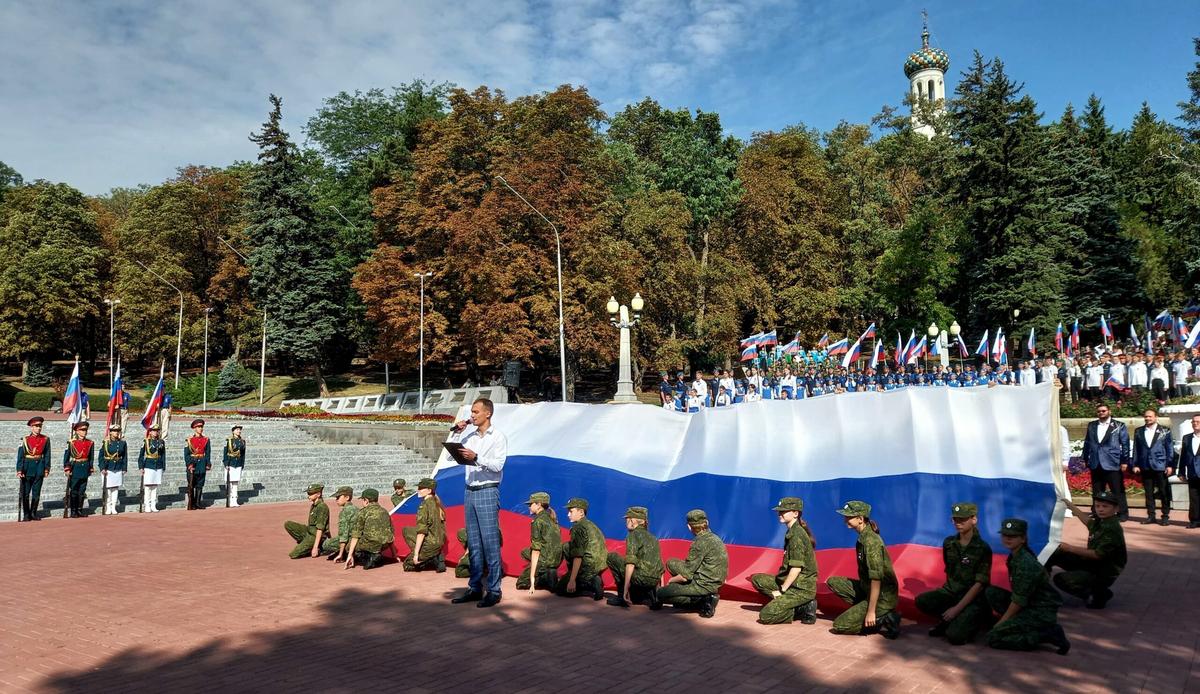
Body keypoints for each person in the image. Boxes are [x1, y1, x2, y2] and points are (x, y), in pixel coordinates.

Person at [448, 398, 507, 608]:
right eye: (471, 412)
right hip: (469, 491)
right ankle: (474, 587)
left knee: (490, 542)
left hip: (487, 490)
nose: (471, 415)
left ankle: (494, 590)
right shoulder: (470, 436)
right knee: (473, 543)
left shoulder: (498, 437)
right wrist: (457, 431)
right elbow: (449, 457)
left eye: (475, 412)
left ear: (487, 413)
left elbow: (498, 466)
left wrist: (477, 457)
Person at [985, 518, 1070, 654]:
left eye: (1013, 536)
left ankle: (1047, 634)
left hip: (1040, 611)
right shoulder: (1016, 555)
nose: (1008, 539)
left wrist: (1000, 624)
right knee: (990, 592)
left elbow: (1018, 601)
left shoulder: (1025, 563)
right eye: (1005, 535)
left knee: (994, 638)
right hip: (1029, 603)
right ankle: (1015, 624)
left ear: (1023, 539)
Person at [915, 502, 993, 645]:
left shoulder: (982, 548)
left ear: (973, 519)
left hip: (973, 599)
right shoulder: (949, 543)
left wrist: (956, 609)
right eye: (955, 519)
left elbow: (980, 584)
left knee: (955, 637)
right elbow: (950, 571)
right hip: (951, 593)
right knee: (922, 601)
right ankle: (949, 620)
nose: (958, 523)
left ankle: (966, 622)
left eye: (962, 520)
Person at [827, 500, 901, 638]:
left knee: (840, 625)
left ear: (860, 519)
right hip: (866, 588)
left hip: (882, 597)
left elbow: (876, 579)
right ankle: (865, 608)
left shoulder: (871, 542)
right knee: (833, 582)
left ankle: (885, 618)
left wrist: (871, 612)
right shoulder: (862, 537)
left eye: (849, 517)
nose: (845, 520)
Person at [1047, 493, 1127, 609]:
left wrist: (1070, 548)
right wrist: (1071, 506)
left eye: (1105, 506)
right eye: (1097, 506)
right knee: (1056, 553)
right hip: (1093, 564)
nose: (1100, 509)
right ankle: (1040, 586)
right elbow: (1089, 522)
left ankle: (1098, 594)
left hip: (1103, 571)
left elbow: (1098, 555)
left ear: (1116, 509)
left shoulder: (1112, 528)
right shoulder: (1103, 521)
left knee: (1061, 579)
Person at [750, 497, 818, 625]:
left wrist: (781, 591)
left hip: (800, 588)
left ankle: (803, 608)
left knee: (766, 616)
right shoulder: (792, 531)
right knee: (757, 579)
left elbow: (796, 568)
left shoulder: (797, 535)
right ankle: (792, 603)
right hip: (789, 582)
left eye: (784, 511)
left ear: (795, 513)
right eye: (779, 511)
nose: (779, 514)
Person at [658, 509, 727, 618]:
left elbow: (686, 575)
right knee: (671, 563)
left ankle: (703, 601)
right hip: (715, 581)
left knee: (660, 594)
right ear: (707, 523)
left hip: (702, 585)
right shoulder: (716, 538)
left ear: (689, 527)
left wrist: (671, 581)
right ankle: (699, 597)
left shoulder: (699, 543)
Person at [606, 506, 664, 608]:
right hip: (654, 580)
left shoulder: (633, 535)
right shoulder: (653, 538)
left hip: (640, 579)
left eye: (627, 519)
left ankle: (622, 598)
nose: (626, 522)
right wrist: (660, 589)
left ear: (632, 521)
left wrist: (625, 590)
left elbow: (630, 563)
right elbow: (660, 565)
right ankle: (650, 594)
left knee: (612, 557)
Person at [1082, 403, 1130, 521]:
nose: (1101, 413)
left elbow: (1125, 444)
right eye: (1099, 411)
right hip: (1095, 462)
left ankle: (1122, 513)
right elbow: (1087, 442)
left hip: (1112, 462)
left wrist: (1124, 461)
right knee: (1097, 490)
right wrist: (1085, 458)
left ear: (1109, 411)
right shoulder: (1092, 425)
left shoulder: (1119, 425)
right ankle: (1096, 511)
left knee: (1117, 490)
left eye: (1103, 411)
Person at [556, 497, 607, 599]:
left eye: (571, 511)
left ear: (581, 512)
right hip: (600, 565)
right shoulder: (591, 525)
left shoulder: (578, 527)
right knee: (567, 546)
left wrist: (572, 580)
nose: (568, 515)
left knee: (560, 589)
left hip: (588, 566)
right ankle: (590, 578)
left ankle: (588, 584)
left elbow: (578, 556)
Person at [1132, 409, 1174, 525]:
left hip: (1160, 465)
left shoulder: (1164, 430)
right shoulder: (1138, 431)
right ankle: (1151, 516)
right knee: (1148, 493)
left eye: (1150, 416)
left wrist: (1170, 465)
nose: (1147, 419)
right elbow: (1136, 449)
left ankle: (1165, 516)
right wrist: (1135, 464)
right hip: (1145, 465)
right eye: (1146, 417)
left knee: (1163, 492)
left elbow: (1169, 449)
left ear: (1156, 417)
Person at [517, 491, 562, 592]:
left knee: (521, 583)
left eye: (530, 504)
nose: (529, 507)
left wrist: (532, 579)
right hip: (557, 558)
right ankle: (547, 570)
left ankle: (545, 576)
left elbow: (536, 550)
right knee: (524, 552)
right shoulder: (552, 518)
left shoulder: (537, 521)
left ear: (538, 505)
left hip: (546, 558)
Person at [402, 478, 447, 572]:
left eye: (421, 488)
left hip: (430, 544)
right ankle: (437, 555)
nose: (419, 490)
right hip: (439, 542)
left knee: (407, 564)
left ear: (429, 490)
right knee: (407, 529)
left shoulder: (424, 505)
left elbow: (421, 532)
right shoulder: (438, 503)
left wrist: (416, 554)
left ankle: (431, 559)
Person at [344, 488, 394, 570]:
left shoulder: (363, 512)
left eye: (362, 500)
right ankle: (376, 554)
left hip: (370, 544)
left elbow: (356, 534)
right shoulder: (384, 511)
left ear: (366, 500)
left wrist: (350, 555)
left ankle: (369, 558)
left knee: (349, 546)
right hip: (384, 544)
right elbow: (391, 532)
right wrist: (394, 554)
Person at [15, 416, 50, 522]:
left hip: (39, 467)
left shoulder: (45, 439)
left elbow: (47, 454)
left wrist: (46, 468)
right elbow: (20, 456)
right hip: (27, 468)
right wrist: (19, 470)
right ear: (31, 427)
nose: (39, 428)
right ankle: (26, 514)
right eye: (36, 426)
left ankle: (33, 513)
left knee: (36, 492)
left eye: (40, 426)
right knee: (25, 493)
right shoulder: (25, 440)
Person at [284, 483, 329, 559]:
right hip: (309, 531)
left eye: (311, 494)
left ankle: (315, 547)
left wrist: (315, 547)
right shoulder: (314, 505)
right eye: (308, 493)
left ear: (318, 494)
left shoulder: (322, 507)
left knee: (293, 554)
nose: (309, 496)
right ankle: (306, 544)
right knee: (288, 524)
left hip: (315, 536)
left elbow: (320, 529)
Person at [62, 421, 94, 518]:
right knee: (74, 490)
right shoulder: (71, 443)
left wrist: (90, 467)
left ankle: (79, 510)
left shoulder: (90, 443)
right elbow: (66, 457)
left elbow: (91, 457)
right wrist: (67, 468)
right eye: (82, 430)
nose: (84, 432)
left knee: (82, 491)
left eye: (85, 430)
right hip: (75, 468)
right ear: (76, 431)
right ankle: (73, 510)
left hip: (85, 468)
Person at [323, 486, 359, 561]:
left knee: (326, 544)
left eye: (338, 497)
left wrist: (340, 554)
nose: (336, 500)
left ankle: (345, 552)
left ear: (347, 497)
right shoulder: (356, 508)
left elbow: (343, 535)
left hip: (350, 540)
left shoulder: (345, 512)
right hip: (358, 538)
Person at [99, 424, 127, 515]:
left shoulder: (122, 443)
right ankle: (108, 506)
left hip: (118, 467)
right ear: (110, 432)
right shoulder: (106, 442)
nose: (116, 433)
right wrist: (102, 467)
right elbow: (101, 456)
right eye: (114, 431)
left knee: (115, 488)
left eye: (118, 431)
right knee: (108, 488)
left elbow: (125, 456)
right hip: (108, 467)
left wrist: (124, 468)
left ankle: (113, 506)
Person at [183, 419, 211, 510]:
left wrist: (207, 463)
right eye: (198, 427)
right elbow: (186, 454)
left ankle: (198, 503)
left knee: (200, 484)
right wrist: (189, 464)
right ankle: (192, 503)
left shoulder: (206, 440)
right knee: (192, 484)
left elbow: (208, 453)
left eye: (201, 427)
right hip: (193, 463)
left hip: (202, 463)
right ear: (194, 428)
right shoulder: (189, 440)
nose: (200, 429)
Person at [138, 425, 167, 512]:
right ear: (150, 432)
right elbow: (141, 455)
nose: (155, 432)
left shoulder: (161, 441)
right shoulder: (146, 441)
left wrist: (163, 466)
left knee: (155, 486)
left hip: (158, 465)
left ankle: (153, 505)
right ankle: (147, 505)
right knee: (148, 486)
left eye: (157, 430)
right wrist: (141, 466)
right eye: (153, 430)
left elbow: (163, 455)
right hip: (149, 465)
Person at [1178, 414, 1200, 529]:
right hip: (1192, 473)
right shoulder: (1186, 438)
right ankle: (1195, 520)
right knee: (1194, 498)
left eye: (1197, 421)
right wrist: (1181, 472)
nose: (1195, 423)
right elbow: (1183, 457)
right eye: (1193, 422)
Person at [223, 425, 246, 507]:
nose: (239, 431)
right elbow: (225, 453)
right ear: (233, 431)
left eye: (239, 430)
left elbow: (243, 454)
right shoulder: (229, 441)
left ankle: (234, 500)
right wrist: (226, 463)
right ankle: (229, 500)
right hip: (230, 463)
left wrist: (242, 464)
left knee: (235, 483)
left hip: (238, 463)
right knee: (229, 483)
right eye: (237, 429)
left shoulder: (242, 441)